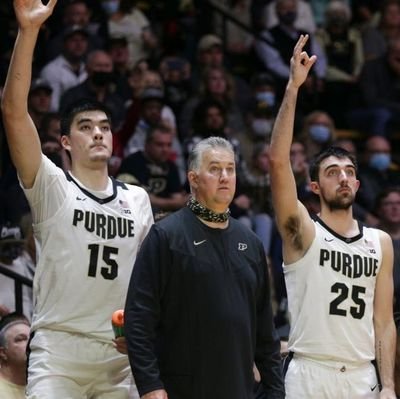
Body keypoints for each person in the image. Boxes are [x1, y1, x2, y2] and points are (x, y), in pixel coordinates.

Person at [1, 1, 154, 398]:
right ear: (66, 142)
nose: (99, 133)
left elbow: (147, 282)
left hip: (118, 353)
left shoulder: (137, 199)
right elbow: (14, 112)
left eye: (105, 127)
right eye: (86, 128)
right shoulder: (53, 185)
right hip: (59, 350)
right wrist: (28, 32)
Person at [269, 34, 396, 398]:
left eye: (347, 171)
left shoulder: (380, 243)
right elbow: (277, 164)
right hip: (309, 372)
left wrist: (388, 385)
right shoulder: (303, 232)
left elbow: (384, 322)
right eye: (331, 171)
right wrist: (293, 88)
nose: (342, 176)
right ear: (314, 187)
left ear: (357, 183)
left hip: (361, 376)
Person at [124, 136, 285, 399]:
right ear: (194, 179)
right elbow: (139, 317)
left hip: (239, 389)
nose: (225, 177)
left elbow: (265, 332)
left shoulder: (251, 243)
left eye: (230, 169)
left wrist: (275, 392)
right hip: (181, 389)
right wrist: (150, 384)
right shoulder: (166, 237)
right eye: (214, 169)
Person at [0, 312, 30, 399]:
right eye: (21, 339)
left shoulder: (43, 386)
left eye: (32, 338)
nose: (30, 343)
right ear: (2, 353)